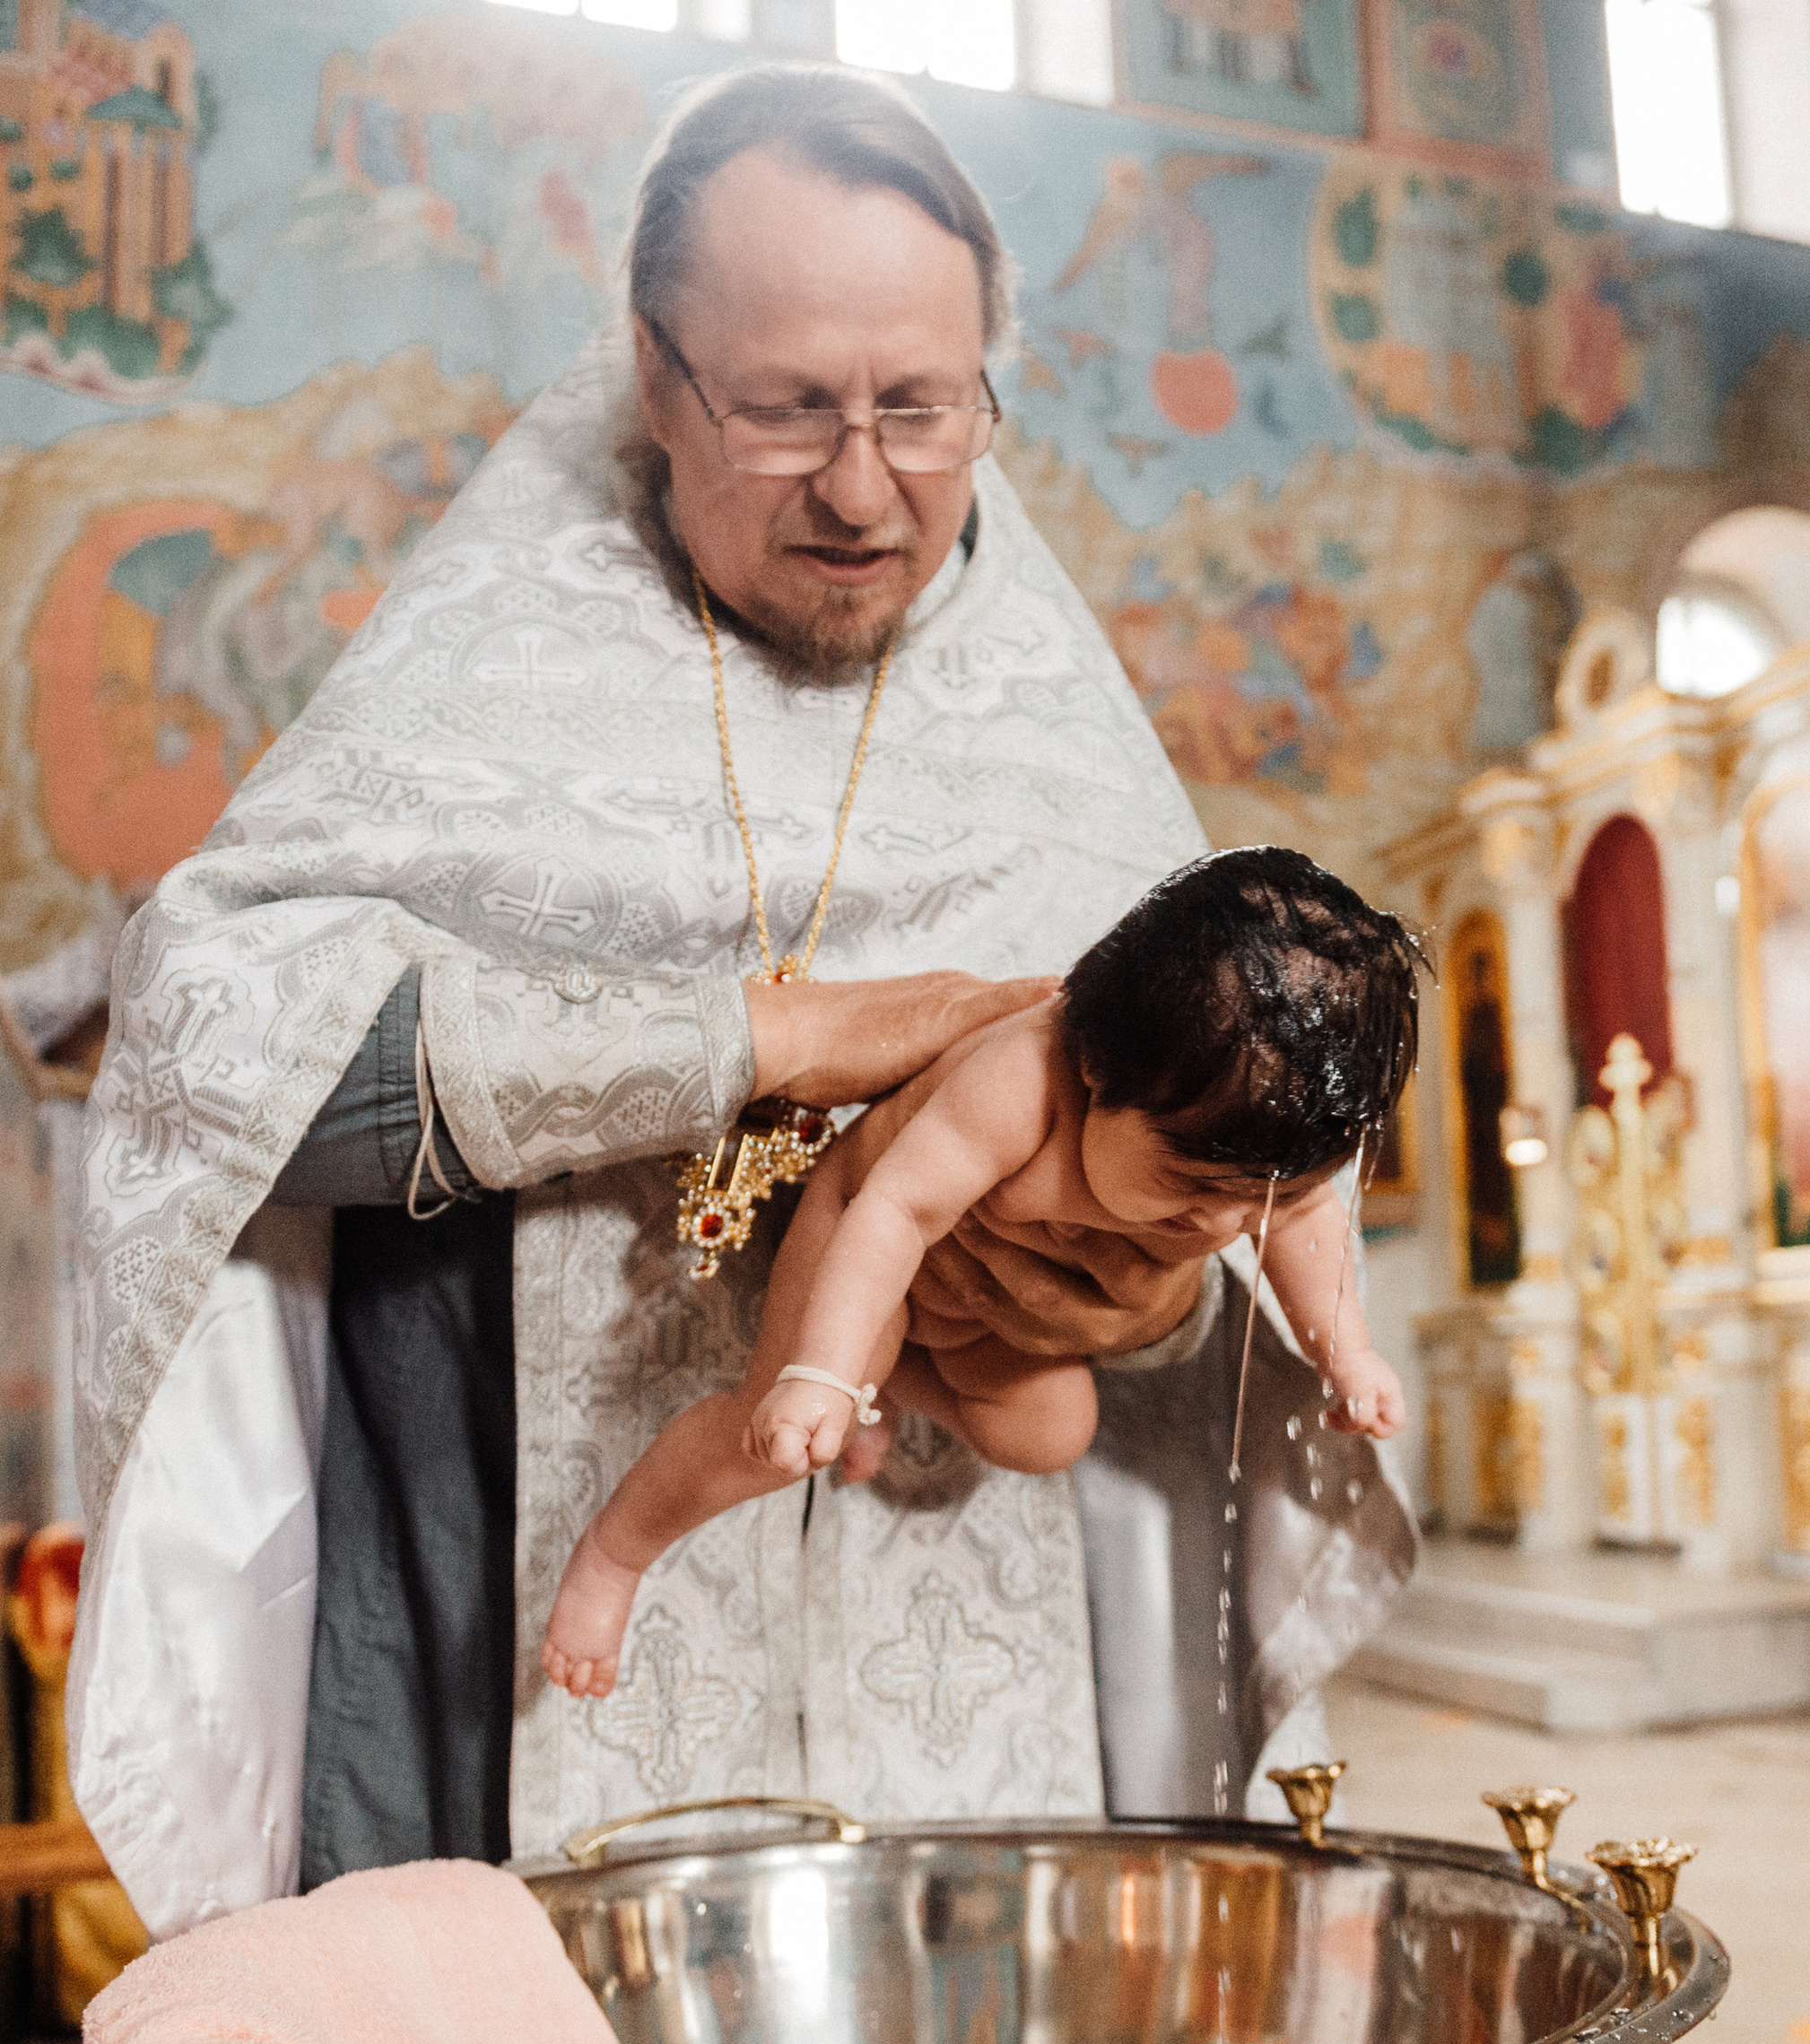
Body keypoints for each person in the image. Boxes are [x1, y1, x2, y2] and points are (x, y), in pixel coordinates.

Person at [69, 63, 1414, 1943]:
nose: (865, 488)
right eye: (787, 410)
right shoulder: (483, 661)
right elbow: (213, 1075)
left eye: (922, 410)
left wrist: (1150, 1291)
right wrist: (763, 1038)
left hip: (980, 1707)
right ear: (651, 367)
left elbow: (1227, 1263)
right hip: (512, 1646)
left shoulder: (1069, 752)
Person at [545, 847, 1420, 1694]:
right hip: (877, 1247)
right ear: (1094, 1064)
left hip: (976, 1313)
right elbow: (895, 1213)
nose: (1226, 1224)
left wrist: (1345, 1353)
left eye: (1264, 1198)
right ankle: (617, 1550)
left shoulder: (1258, 1155)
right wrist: (820, 1369)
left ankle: (882, 1384)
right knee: (779, 1440)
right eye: (1189, 1185)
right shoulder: (1022, 1076)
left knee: (1047, 1434)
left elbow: (1305, 1227)